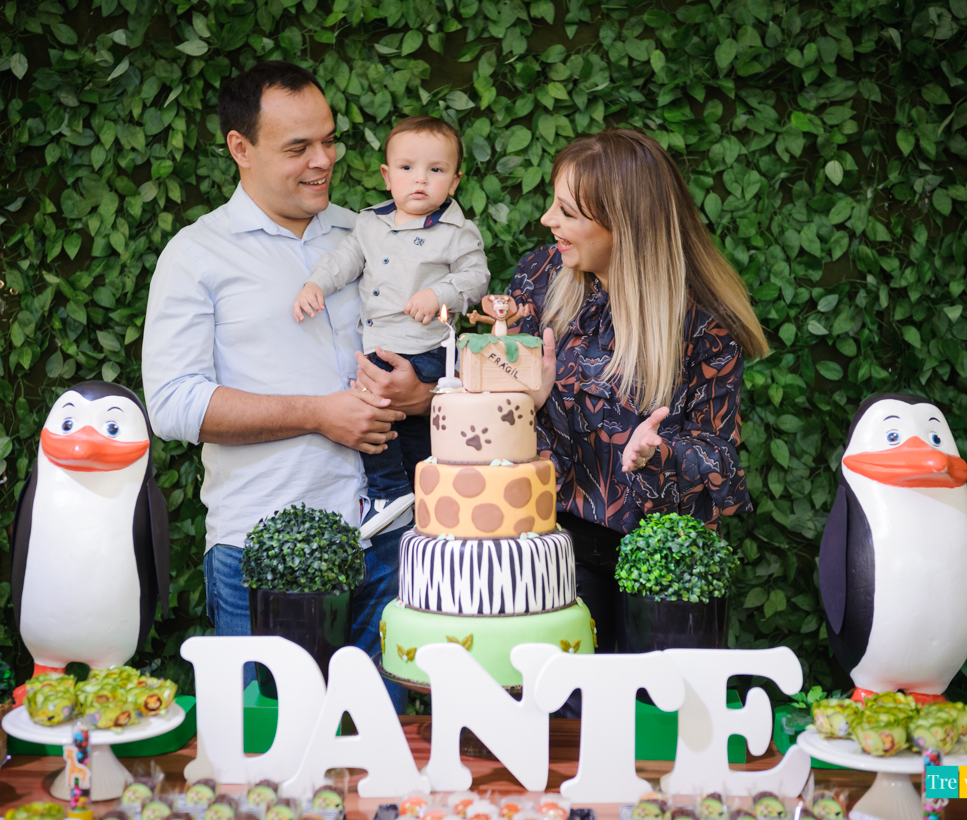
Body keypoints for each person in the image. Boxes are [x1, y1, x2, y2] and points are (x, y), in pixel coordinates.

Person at [141, 61, 432, 710]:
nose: (322, 160)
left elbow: (423, 368)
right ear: (240, 149)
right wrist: (315, 412)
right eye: (298, 148)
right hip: (258, 554)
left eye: (329, 140)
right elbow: (172, 403)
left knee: (378, 753)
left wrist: (418, 391)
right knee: (268, 763)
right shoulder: (196, 255)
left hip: (383, 540)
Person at [509, 128, 770, 654]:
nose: (547, 221)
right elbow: (487, 420)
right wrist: (521, 406)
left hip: (662, 560)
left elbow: (720, 462)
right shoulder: (538, 277)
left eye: (566, 211)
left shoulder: (702, 323)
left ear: (622, 225)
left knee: (657, 718)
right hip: (554, 549)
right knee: (567, 720)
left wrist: (658, 452)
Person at [294, 115, 490, 538]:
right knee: (407, 427)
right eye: (407, 168)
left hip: (428, 348)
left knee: (369, 407)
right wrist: (315, 285)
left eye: (435, 171)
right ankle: (422, 493)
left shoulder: (457, 232)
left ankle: (387, 491)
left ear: (454, 183)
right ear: (387, 176)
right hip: (382, 346)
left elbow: (476, 278)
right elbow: (343, 261)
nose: (420, 180)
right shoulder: (369, 224)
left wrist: (440, 293)